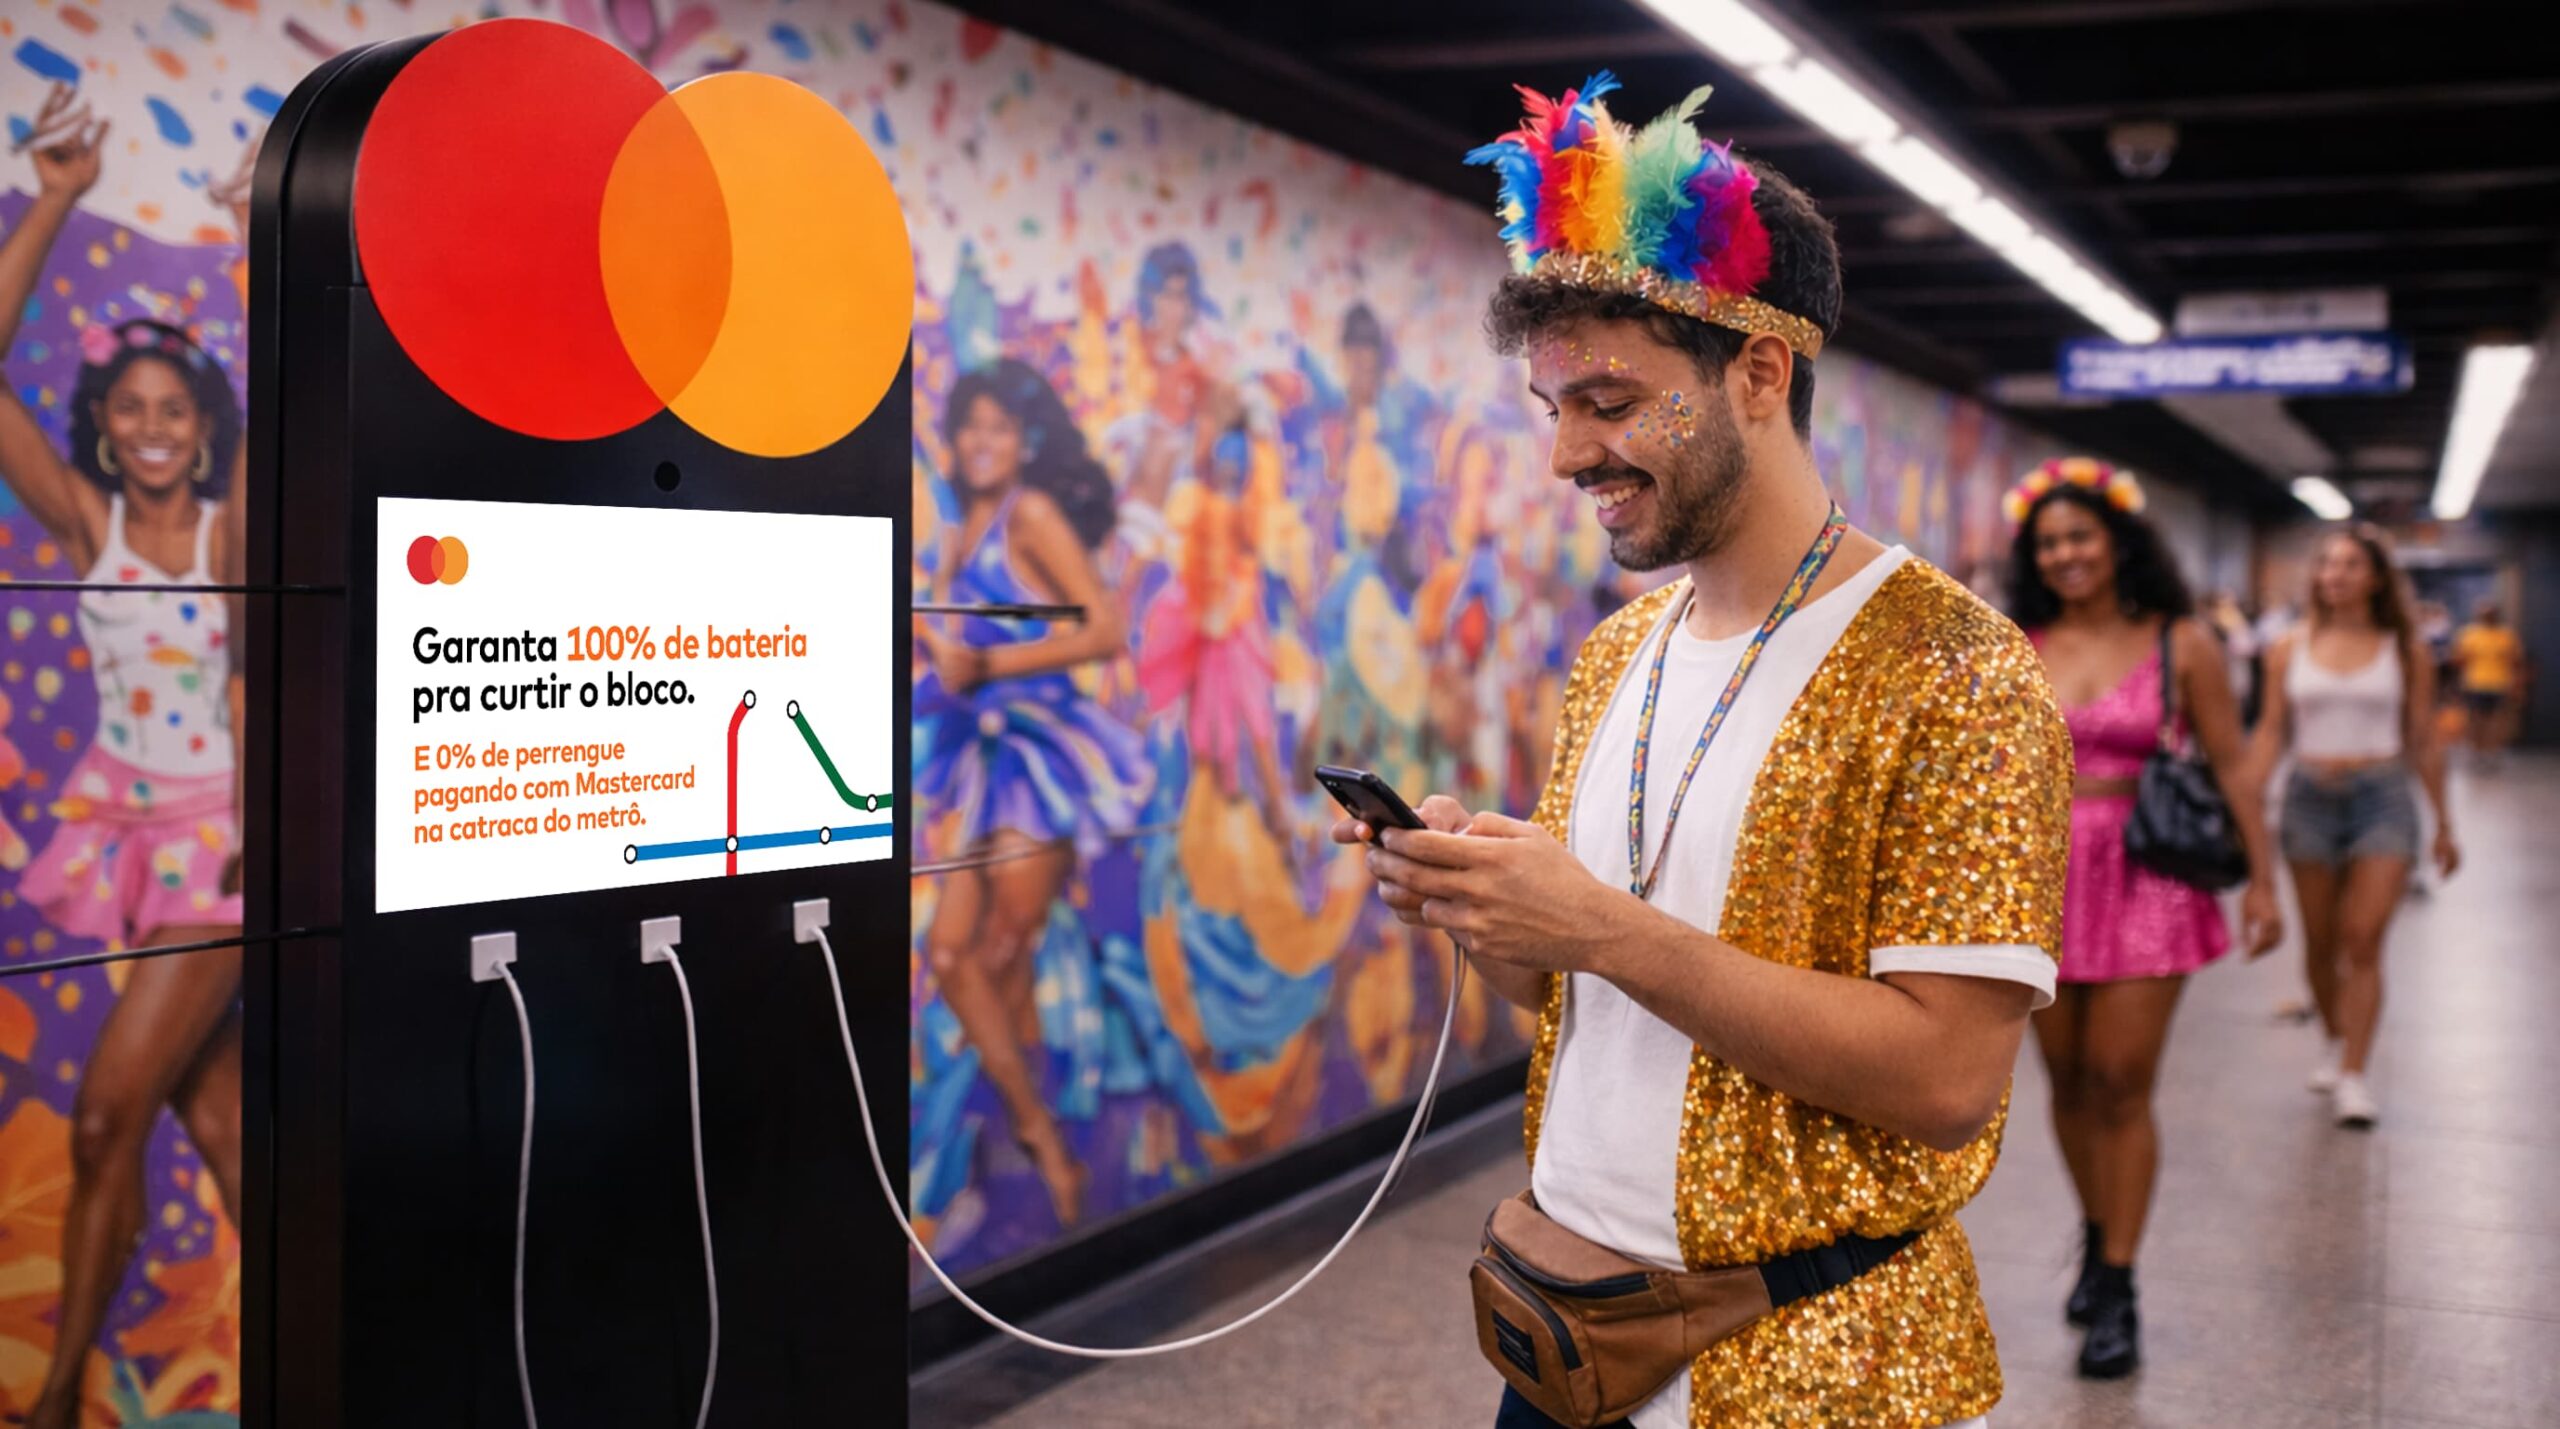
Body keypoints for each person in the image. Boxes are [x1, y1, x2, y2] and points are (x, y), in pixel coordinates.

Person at [1341, 75, 2070, 1428]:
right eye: (1552, 406)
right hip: (1571, 1340)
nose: (1569, 454)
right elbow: (1567, 1002)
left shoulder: (1951, 666)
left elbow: (1946, 1081)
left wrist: (1603, 928)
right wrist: (1482, 904)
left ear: (1759, 372)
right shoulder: (1620, 651)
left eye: (1611, 400)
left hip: (1820, 1372)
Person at [1, 104, 247, 1429]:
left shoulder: (228, 532)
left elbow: (304, 390)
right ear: (105, 423)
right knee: (220, 1124)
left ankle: (50, 1408)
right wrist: (54, 197)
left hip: (223, 853)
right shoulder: (89, 522)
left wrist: (258, 237)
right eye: (131, 409)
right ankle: (350, 1355)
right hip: (130, 842)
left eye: (175, 411)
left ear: (203, 430)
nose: (153, 428)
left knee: (104, 1118)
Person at [2002, 460, 2281, 1379]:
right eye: (2049, 543)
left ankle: (2118, 1283)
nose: (2066, 554)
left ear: (2119, 541)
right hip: (2041, 877)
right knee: (2068, 1082)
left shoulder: (2181, 642)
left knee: (2121, 1081)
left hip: (2149, 876)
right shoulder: (2018, 641)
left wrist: (2265, 882)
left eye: (2080, 536)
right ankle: (2096, 1228)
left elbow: (2233, 765)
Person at [914, 357, 1151, 1227]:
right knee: (953, 956)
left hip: (1044, 757)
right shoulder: (964, 523)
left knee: (1004, 948)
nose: (982, 442)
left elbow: (1105, 629)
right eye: (970, 425)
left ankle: (1038, 1156)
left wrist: (990, 665)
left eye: (999, 427)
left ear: (1024, 440)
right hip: (984, 756)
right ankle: (1038, 1136)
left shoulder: (1031, 513)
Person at [2252, 526, 2459, 1128]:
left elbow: (2423, 735)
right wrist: (2244, 803)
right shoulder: (2289, 647)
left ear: (2375, 578)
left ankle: (2353, 1073)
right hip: (2308, 798)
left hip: (2383, 796)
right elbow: (2271, 731)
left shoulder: (2406, 649)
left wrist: (2444, 823)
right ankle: (2334, 1037)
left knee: (2362, 939)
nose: (2335, 574)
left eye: (2350, 564)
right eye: (2328, 564)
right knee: (2320, 944)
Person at [2451, 598, 2526, 765]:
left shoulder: (2506, 635)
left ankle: (2492, 750)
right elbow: (2458, 660)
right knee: (2476, 719)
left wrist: (2517, 685)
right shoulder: (2469, 634)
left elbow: (2516, 661)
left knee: (2496, 720)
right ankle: (2475, 749)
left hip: (2500, 684)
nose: (2488, 616)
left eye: (2491, 613)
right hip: (2475, 683)